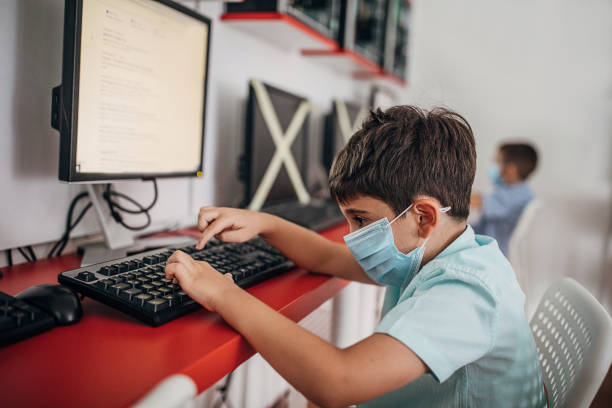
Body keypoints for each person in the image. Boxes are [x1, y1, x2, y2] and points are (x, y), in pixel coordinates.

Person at [165, 106, 546, 407]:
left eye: (361, 220)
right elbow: (327, 259)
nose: (352, 237)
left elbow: (338, 381)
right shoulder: (436, 250)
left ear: (424, 216)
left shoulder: (466, 290)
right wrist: (264, 223)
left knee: (319, 390)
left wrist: (223, 294)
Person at [472, 143, 538, 256]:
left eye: (497, 162)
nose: (492, 166)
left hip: (494, 250)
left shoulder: (516, 196)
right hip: (485, 243)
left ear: (511, 169)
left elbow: (473, 200)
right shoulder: (515, 191)